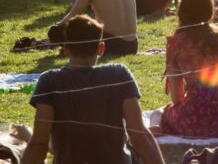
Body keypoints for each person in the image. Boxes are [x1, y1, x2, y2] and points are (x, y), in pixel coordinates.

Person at [23, 14, 164, 164]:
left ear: (65, 49)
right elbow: (139, 135)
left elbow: (39, 143)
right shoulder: (119, 75)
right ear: (101, 48)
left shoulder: (49, 81)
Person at [160, 0, 218, 138]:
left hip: (194, 118)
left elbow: (177, 97)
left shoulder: (177, 42)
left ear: (182, 11)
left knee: (163, 115)